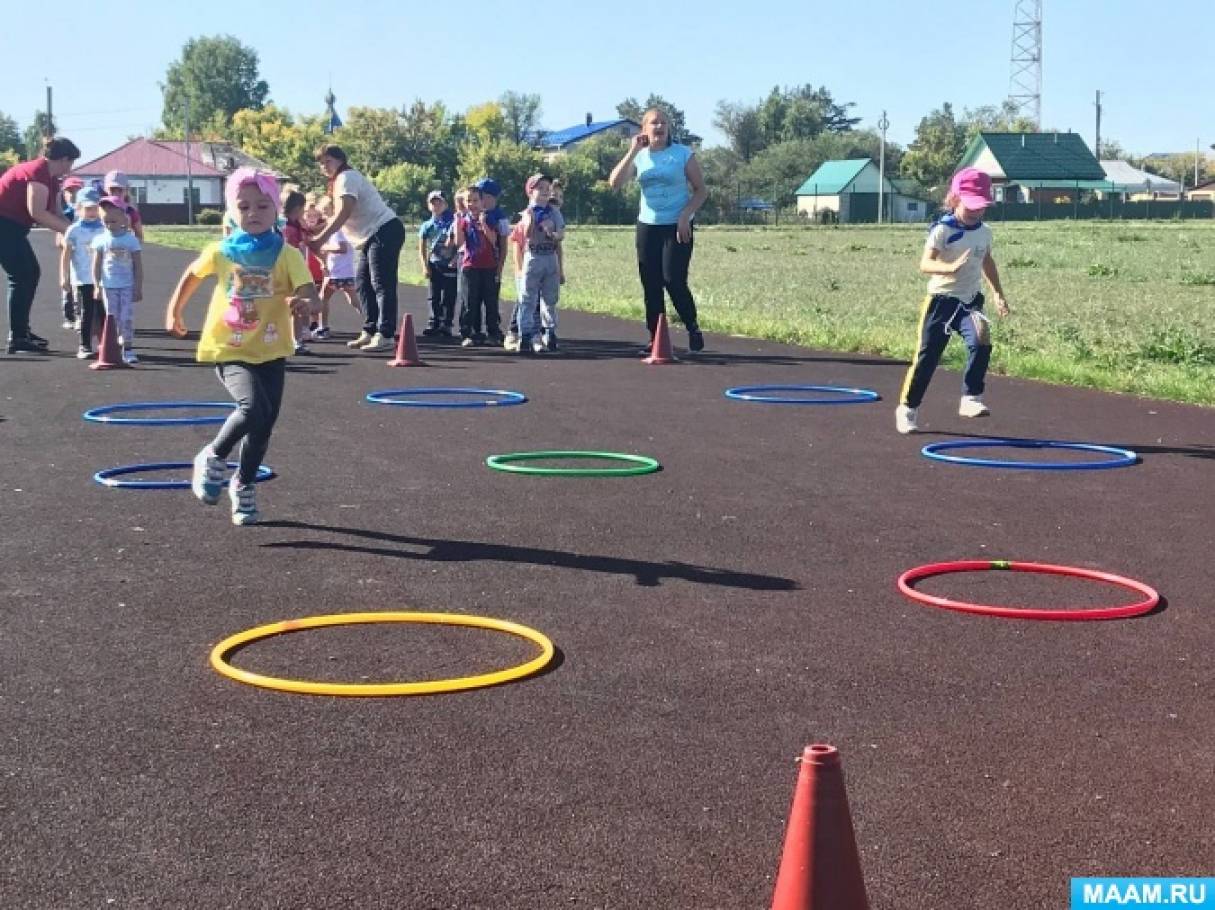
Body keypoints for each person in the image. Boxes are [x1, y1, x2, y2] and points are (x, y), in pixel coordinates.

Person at [165, 167, 316, 526]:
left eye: (263, 206)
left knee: (264, 426)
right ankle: (213, 455)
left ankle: (243, 485)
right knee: (251, 409)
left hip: (271, 348)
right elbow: (192, 275)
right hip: (230, 346)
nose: (253, 213)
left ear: (276, 209)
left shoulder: (287, 254)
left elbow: (307, 288)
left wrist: (307, 302)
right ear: (232, 210)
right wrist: (174, 311)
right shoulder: (221, 251)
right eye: (244, 206)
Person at [895, 167, 1010, 434]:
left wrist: (998, 293)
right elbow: (925, 264)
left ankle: (971, 397)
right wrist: (949, 268)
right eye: (970, 206)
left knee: (981, 340)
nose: (975, 212)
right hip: (941, 301)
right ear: (955, 198)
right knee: (928, 358)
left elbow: (987, 261)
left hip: (969, 301)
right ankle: (908, 409)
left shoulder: (985, 232)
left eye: (981, 207)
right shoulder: (943, 230)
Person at [608, 108, 708, 355]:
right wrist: (632, 151)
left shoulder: (682, 154)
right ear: (644, 129)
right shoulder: (639, 156)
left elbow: (701, 191)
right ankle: (656, 337)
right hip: (648, 225)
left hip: (677, 225)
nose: (659, 127)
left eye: (664, 122)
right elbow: (614, 183)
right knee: (651, 283)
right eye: (654, 123)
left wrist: (685, 215)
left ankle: (692, 326)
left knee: (673, 279)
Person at [309, 144, 405, 353]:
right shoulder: (337, 182)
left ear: (340, 161)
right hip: (371, 235)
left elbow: (344, 211)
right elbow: (336, 216)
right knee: (362, 283)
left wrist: (320, 238)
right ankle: (370, 329)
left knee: (381, 283)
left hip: (384, 229)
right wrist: (313, 230)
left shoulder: (347, 177)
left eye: (328, 161)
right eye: (321, 163)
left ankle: (386, 334)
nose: (324, 166)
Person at [0, 136, 80, 353]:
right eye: (71, 162)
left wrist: (78, 232)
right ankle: (17, 338)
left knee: (30, 273)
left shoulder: (51, 178)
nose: (71, 168)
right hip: (4, 226)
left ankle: (21, 331)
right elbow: (38, 213)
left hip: (12, 229)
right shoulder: (37, 172)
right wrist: (72, 232)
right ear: (63, 159)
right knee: (22, 275)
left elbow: (57, 213)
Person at [512, 174, 565, 354]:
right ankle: (525, 335)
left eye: (547, 188)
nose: (544, 191)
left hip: (550, 257)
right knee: (528, 298)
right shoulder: (528, 212)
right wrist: (532, 220)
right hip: (533, 256)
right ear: (530, 191)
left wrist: (554, 234)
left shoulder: (554, 212)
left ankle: (549, 332)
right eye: (540, 188)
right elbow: (526, 234)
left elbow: (561, 234)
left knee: (550, 298)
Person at [91, 196, 143, 364]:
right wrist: (97, 286)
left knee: (126, 317)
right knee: (112, 318)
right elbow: (96, 265)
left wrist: (138, 287)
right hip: (108, 286)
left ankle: (127, 348)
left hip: (127, 285)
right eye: (105, 221)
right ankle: (112, 347)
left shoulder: (131, 240)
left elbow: (138, 266)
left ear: (124, 219)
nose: (109, 225)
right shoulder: (100, 240)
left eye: (113, 221)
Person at [60, 187, 106, 358]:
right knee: (86, 313)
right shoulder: (74, 230)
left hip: (102, 279)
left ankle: (106, 345)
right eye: (88, 209)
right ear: (78, 209)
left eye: (95, 208)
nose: (92, 212)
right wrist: (63, 277)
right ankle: (85, 345)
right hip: (82, 279)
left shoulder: (105, 229)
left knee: (103, 313)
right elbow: (66, 255)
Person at [454, 185, 500, 347]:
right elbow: (459, 243)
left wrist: (483, 224)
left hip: (488, 266)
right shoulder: (463, 220)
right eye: (469, 201)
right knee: (469, 301)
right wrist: (457, 223)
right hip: (470, 265)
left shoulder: (489, 218)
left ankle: (493, 333)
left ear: (482, 202)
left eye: (475, 200)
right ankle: (469, 333)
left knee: (490, 301)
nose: (472, 204)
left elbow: (494, 240)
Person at [473, 177, 510, 344]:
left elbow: (503, 245)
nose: (479, 201)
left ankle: (493, 330)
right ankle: (475, 330)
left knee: (491, 299)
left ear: (491, 197)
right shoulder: (473, 214)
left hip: (492, 265)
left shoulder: (500, 218)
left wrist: (499, 268)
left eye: (482, 197)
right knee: (474, 298)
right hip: (474, 264)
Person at [418, 190, 457, 338]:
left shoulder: (453, 223)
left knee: (449, 296)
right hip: (434, 264)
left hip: (450, 264)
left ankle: (446, 324)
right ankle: (433, 322)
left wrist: (456, 259)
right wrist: (424, 266)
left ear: (446, 204)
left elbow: (459, 243)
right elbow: (422, 248)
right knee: (433, 296)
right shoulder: (427, 225)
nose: (436, 205)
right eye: (433, 203)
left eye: (439, 202)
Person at [280, 188, 315, 354]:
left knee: (296, 305)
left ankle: (296, 337)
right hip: (290, 270)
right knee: (295, 305)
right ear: (298, 208)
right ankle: (295, 341)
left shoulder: (294, 225)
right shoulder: (288, 228)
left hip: (292, 269)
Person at [316, 195, 356, 338]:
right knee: (353, 300)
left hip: (337, 272)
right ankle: (372, 322)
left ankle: (323, 327)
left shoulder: (337, 229)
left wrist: (325, 247)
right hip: (346, 271)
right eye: (323, 210)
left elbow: (342, 248)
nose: (323, 213)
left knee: (323, 298)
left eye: (326, 210)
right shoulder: (340, 227)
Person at [58, 176, 85, 328]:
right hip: (70, 254)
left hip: (86, 255)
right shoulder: (66, 213)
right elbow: (59, 237)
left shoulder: (91, 212)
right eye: (70, 191)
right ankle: (69, 317)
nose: (73, 195)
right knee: (68, 285)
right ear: (64, 194)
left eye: (77, 191)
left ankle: (84, 315)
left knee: (84, 286)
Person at [102, 171, 144, 242]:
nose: (116, 194)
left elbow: (140, 237)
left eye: (120, 190)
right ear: (106, 190)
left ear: (126, 190)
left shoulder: (131, 212)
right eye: (112, 190)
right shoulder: (100, 209)